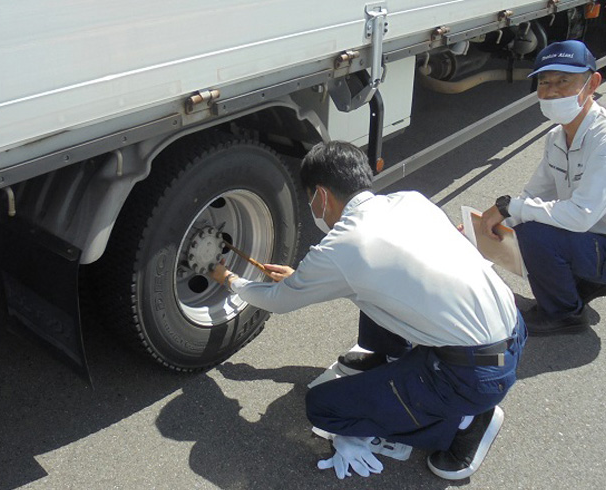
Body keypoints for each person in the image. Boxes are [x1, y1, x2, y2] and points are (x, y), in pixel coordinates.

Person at [211, 141, 526, 480]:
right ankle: (393, 362)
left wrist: (229, 280)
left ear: (321, 195)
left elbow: (278, 300)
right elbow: (385, 274)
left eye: (310, 199)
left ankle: (465, 422)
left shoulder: (342, 245)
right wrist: (300, 279)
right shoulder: (411, 201)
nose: (312, 207)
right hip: (512, 333)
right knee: (377, 292)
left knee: (324, 408)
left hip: (473, 376)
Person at [479, 40, 606, 335]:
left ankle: (564, 315)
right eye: (544, 82)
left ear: (592, 83)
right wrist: (485, 224)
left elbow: (580, 215)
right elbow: (535, 195)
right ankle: (584, 283)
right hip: (596, 236)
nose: (551, 90)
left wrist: (509, 209)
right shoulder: (557, 137)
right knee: (530, 220)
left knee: (535, 235)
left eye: (564, 81)